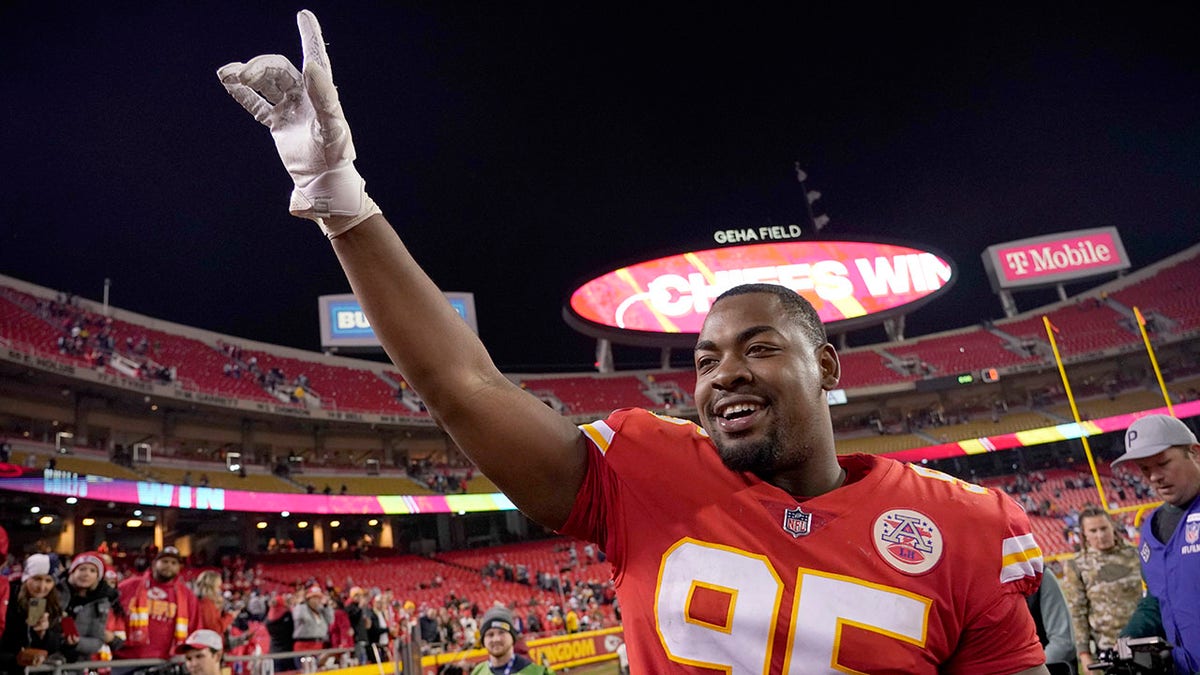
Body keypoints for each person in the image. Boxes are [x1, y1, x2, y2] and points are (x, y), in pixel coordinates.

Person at [217, 12, 1049, 673]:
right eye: (704, 357)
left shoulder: (962, 525)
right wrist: (343, 205)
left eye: (757, 347)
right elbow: (464, 385)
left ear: (825, 364)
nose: (724, 373)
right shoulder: (646, 471)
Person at [1111, 414, 1200, 674]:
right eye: (1145, 469)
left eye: (1163, 463)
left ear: (1195, 453)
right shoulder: (1152, 527)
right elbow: (1157, 599)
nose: (1154, 477)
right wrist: (1126, 642)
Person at [1060, 505, 1142, 670]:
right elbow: (1078, 612)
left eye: (1104, 528)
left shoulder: (1135, 554)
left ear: (1112, 526)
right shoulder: (1077, 565)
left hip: (1143, 639)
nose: (1100, 535)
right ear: (1084, 534)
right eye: (1093, 530)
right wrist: (1084, 654)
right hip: (1108, 645)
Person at [114, 545, 200, 662]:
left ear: (180, 567)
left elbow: (195, 627)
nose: (169, 565)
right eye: (164, 561)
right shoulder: (128, 586)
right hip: (127, 660)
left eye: (174, 563)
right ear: (154, 563)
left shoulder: (188, 596)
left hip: (167, 662)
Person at [0, 553, 65, 674]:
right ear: (26, 577)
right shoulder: (7, 598)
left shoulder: (54, 605)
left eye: (48, 581)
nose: (42, 587)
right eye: (37, 579)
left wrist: (44, 634)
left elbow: (55, 646)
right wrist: (15, 660)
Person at [58, 551, 123, 662]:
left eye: (92, 570)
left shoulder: (101, 602)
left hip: (77, 663)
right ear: (72, 571)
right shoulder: (55, 591)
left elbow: (97, 641)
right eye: (82, 569)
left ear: (98, 577)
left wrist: (77, 642)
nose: (86, 574)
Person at [471, 607, 553, 675]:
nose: (496, 639)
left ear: (512, 637)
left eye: (501, 633)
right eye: (490, 634)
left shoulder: (537, 672)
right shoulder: (478, 672)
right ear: (483, 640)